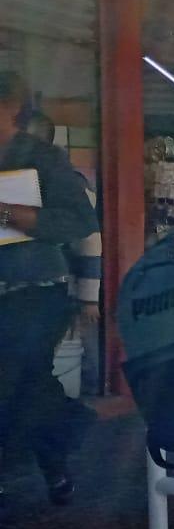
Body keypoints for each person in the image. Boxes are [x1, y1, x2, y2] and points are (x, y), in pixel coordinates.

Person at [0, 70, 97, 505]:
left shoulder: (41, 158)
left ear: (10, 109)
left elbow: (78, 222)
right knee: (31, 382)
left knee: (16, 378)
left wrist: (11, 215)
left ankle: (48, 460)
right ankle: (57, 458)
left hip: (33, 289)